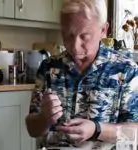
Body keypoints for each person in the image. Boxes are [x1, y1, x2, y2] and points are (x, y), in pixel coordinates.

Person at [26, 0, 138, 149]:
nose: (74, 45)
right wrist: (44, 118)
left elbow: (135, 132)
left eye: (84, 36)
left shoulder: (126, 70)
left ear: (103, 30)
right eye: (68, 35)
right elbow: (32, 129)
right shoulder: (48, 67)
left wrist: (97, 129)